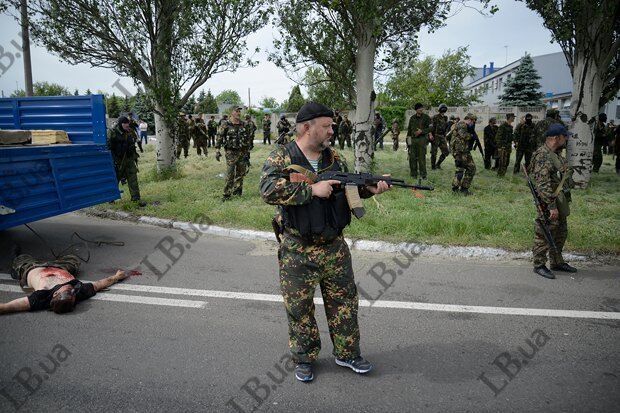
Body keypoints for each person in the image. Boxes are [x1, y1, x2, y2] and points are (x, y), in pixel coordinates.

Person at [259, 101, 390, 383]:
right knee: (300, 308)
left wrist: (369, 190)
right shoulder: (282, 157)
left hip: (334, 248)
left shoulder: (335, 158)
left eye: (332, 126)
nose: (332, 130)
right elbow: (268, 190)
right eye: (327, 126)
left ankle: (347, 353)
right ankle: (304, 358)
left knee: (344, 305)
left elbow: (347, 191)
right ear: (307, 127)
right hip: (298, 249)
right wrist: (311, 189)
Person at [1, 253, 129, 315]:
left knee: (21, 258)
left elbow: (7, 307)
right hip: (61, 267)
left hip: (32, 267)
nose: (72, 289)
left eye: (68, 291)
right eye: (72, 293)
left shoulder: (40, 297)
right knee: (73, 258)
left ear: (56, 294)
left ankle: (16, 258)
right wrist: (117, 277)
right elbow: (100, 284)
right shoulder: (79, 292)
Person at [530, 124, 577, 279]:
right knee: (544, 233)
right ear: (557, 138)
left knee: (561, 232)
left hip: (558, 200)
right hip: (548, 202)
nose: (567, 138)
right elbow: (542, 184)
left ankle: (556, 262)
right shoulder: (543, 155)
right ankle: (539, 265)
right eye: (565, 136)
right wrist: (551, 207)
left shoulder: (555, 153)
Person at [108, 115, 146, 207]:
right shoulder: (112, 132)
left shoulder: (129, 131)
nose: (127, 126)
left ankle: (136, 198)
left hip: (129, 159)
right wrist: (114, 160)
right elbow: (109, 147)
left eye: (128, 124)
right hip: (118, 160)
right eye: (125, 124)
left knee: (133, 178)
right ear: (121, 124)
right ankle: (111, 198)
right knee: (115, 180)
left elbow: (135, 140)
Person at [216, 106, 251, 201]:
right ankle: (226, 194)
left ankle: (237, 193)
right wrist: (217, 150)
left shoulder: (244, 124)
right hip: (230, 152)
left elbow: (247, 139)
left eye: (240, 111)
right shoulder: (225, 124)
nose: (239, 113)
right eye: (236, 111)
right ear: (232, 112)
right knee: (230, 173)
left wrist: (247, 152)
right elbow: (219, 137)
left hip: (242, 152)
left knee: (240, 173)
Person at [450, 113, 476, 195]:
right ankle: (455, 188)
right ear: (469, 119)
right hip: (459, 151)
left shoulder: (465, 126)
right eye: (473, 121)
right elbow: (463, 135)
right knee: (460, 169)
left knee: (471, 168)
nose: (473, 123)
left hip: (464, 151)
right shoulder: (462, 124)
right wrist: (472, 135)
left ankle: (464, 188)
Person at [406, 103, 431, 180]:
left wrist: (422, 131)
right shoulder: (412, 118)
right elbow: (409, 131)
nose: (421, 109)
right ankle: (413, 174)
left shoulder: (426, 117)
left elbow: (431, 128)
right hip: (413, 140)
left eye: (422, 108)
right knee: (412, 158)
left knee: (421, 158)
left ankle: (423, 175)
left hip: (422, 140)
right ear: (416, 109)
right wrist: (408, 142)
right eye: (419, 108)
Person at [430, 104, 450, 169]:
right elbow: (430, 127)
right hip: (435, 136)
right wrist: (430, 134)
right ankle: (433, 167)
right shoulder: (435, 117)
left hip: (442, 136)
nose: (443, 109)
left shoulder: (445, 118)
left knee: (446, 152)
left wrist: (446, 136)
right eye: (442, 108)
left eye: (444, 108)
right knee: (434, 153)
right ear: (439, 109)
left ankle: (438, 164)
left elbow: (446, 127)